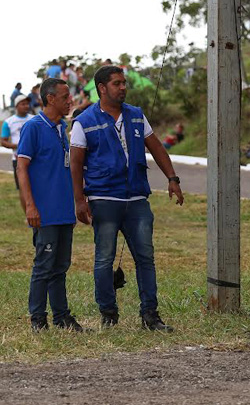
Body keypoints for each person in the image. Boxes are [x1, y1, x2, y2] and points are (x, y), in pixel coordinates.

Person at [70, 66, 184, 332]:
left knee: (145, 257)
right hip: (103, 200)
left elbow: (155, 146)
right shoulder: (84, 121)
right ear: (102, 88)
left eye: (124, 83)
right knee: (104, 259)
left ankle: (150, 316)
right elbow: (75, 164)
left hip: (136, 201)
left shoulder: (136, 115)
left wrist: (172, 178)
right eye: (117, 83)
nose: (123, 88)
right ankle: (108, 314)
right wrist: (79, 200)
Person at [15, 78, 83, 332]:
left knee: (61, 267)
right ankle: (38, 319)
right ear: (50, 98)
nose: (70, 101)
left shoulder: (61, 127)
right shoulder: (34, 127)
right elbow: (22, 167)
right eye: (65, 97)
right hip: (45, 213)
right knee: (43, 266)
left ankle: (62, 317)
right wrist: (30, 206)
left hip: (64, 211)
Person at [1, 95, 33, 189]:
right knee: (22, 188)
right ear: (16, 106)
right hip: (17, 159)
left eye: (27, 104)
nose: (26, 106)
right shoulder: (9, 122)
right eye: (23, 104)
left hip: (34, 159)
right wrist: (19, 146)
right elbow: (3, 142)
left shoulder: (34, 119)